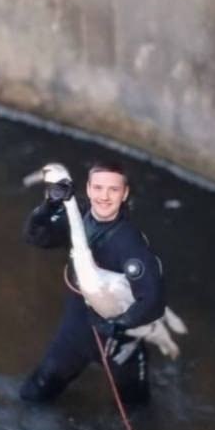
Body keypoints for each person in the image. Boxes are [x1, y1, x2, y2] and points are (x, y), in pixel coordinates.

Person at [20, 161, 166, 405]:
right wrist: (50, 206)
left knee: (136, 407)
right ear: (87, 189)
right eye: (98, 188)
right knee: (35, 393)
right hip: (75, 330)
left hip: (118, 344)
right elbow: (36, 237)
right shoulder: (79, 215)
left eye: (113, 190)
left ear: (125, 195)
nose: (104, 197)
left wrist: (120, 324)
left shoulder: (130, 245)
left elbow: (153, 300)